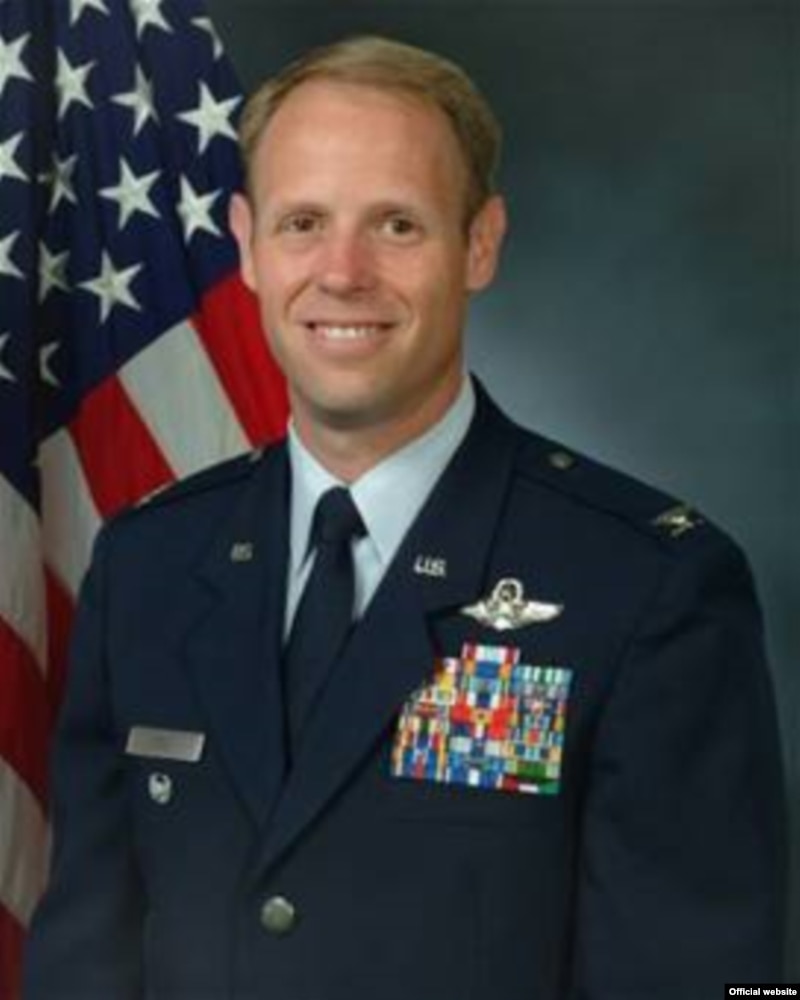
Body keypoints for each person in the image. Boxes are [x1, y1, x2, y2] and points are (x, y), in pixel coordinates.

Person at [24, 34, 786, 1000]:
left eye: (396, 225)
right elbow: (84, 964)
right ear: (247, 244)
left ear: (480, 244)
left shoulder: (648, 586)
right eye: (304, 222)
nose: (342, 273)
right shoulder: (148, 565)